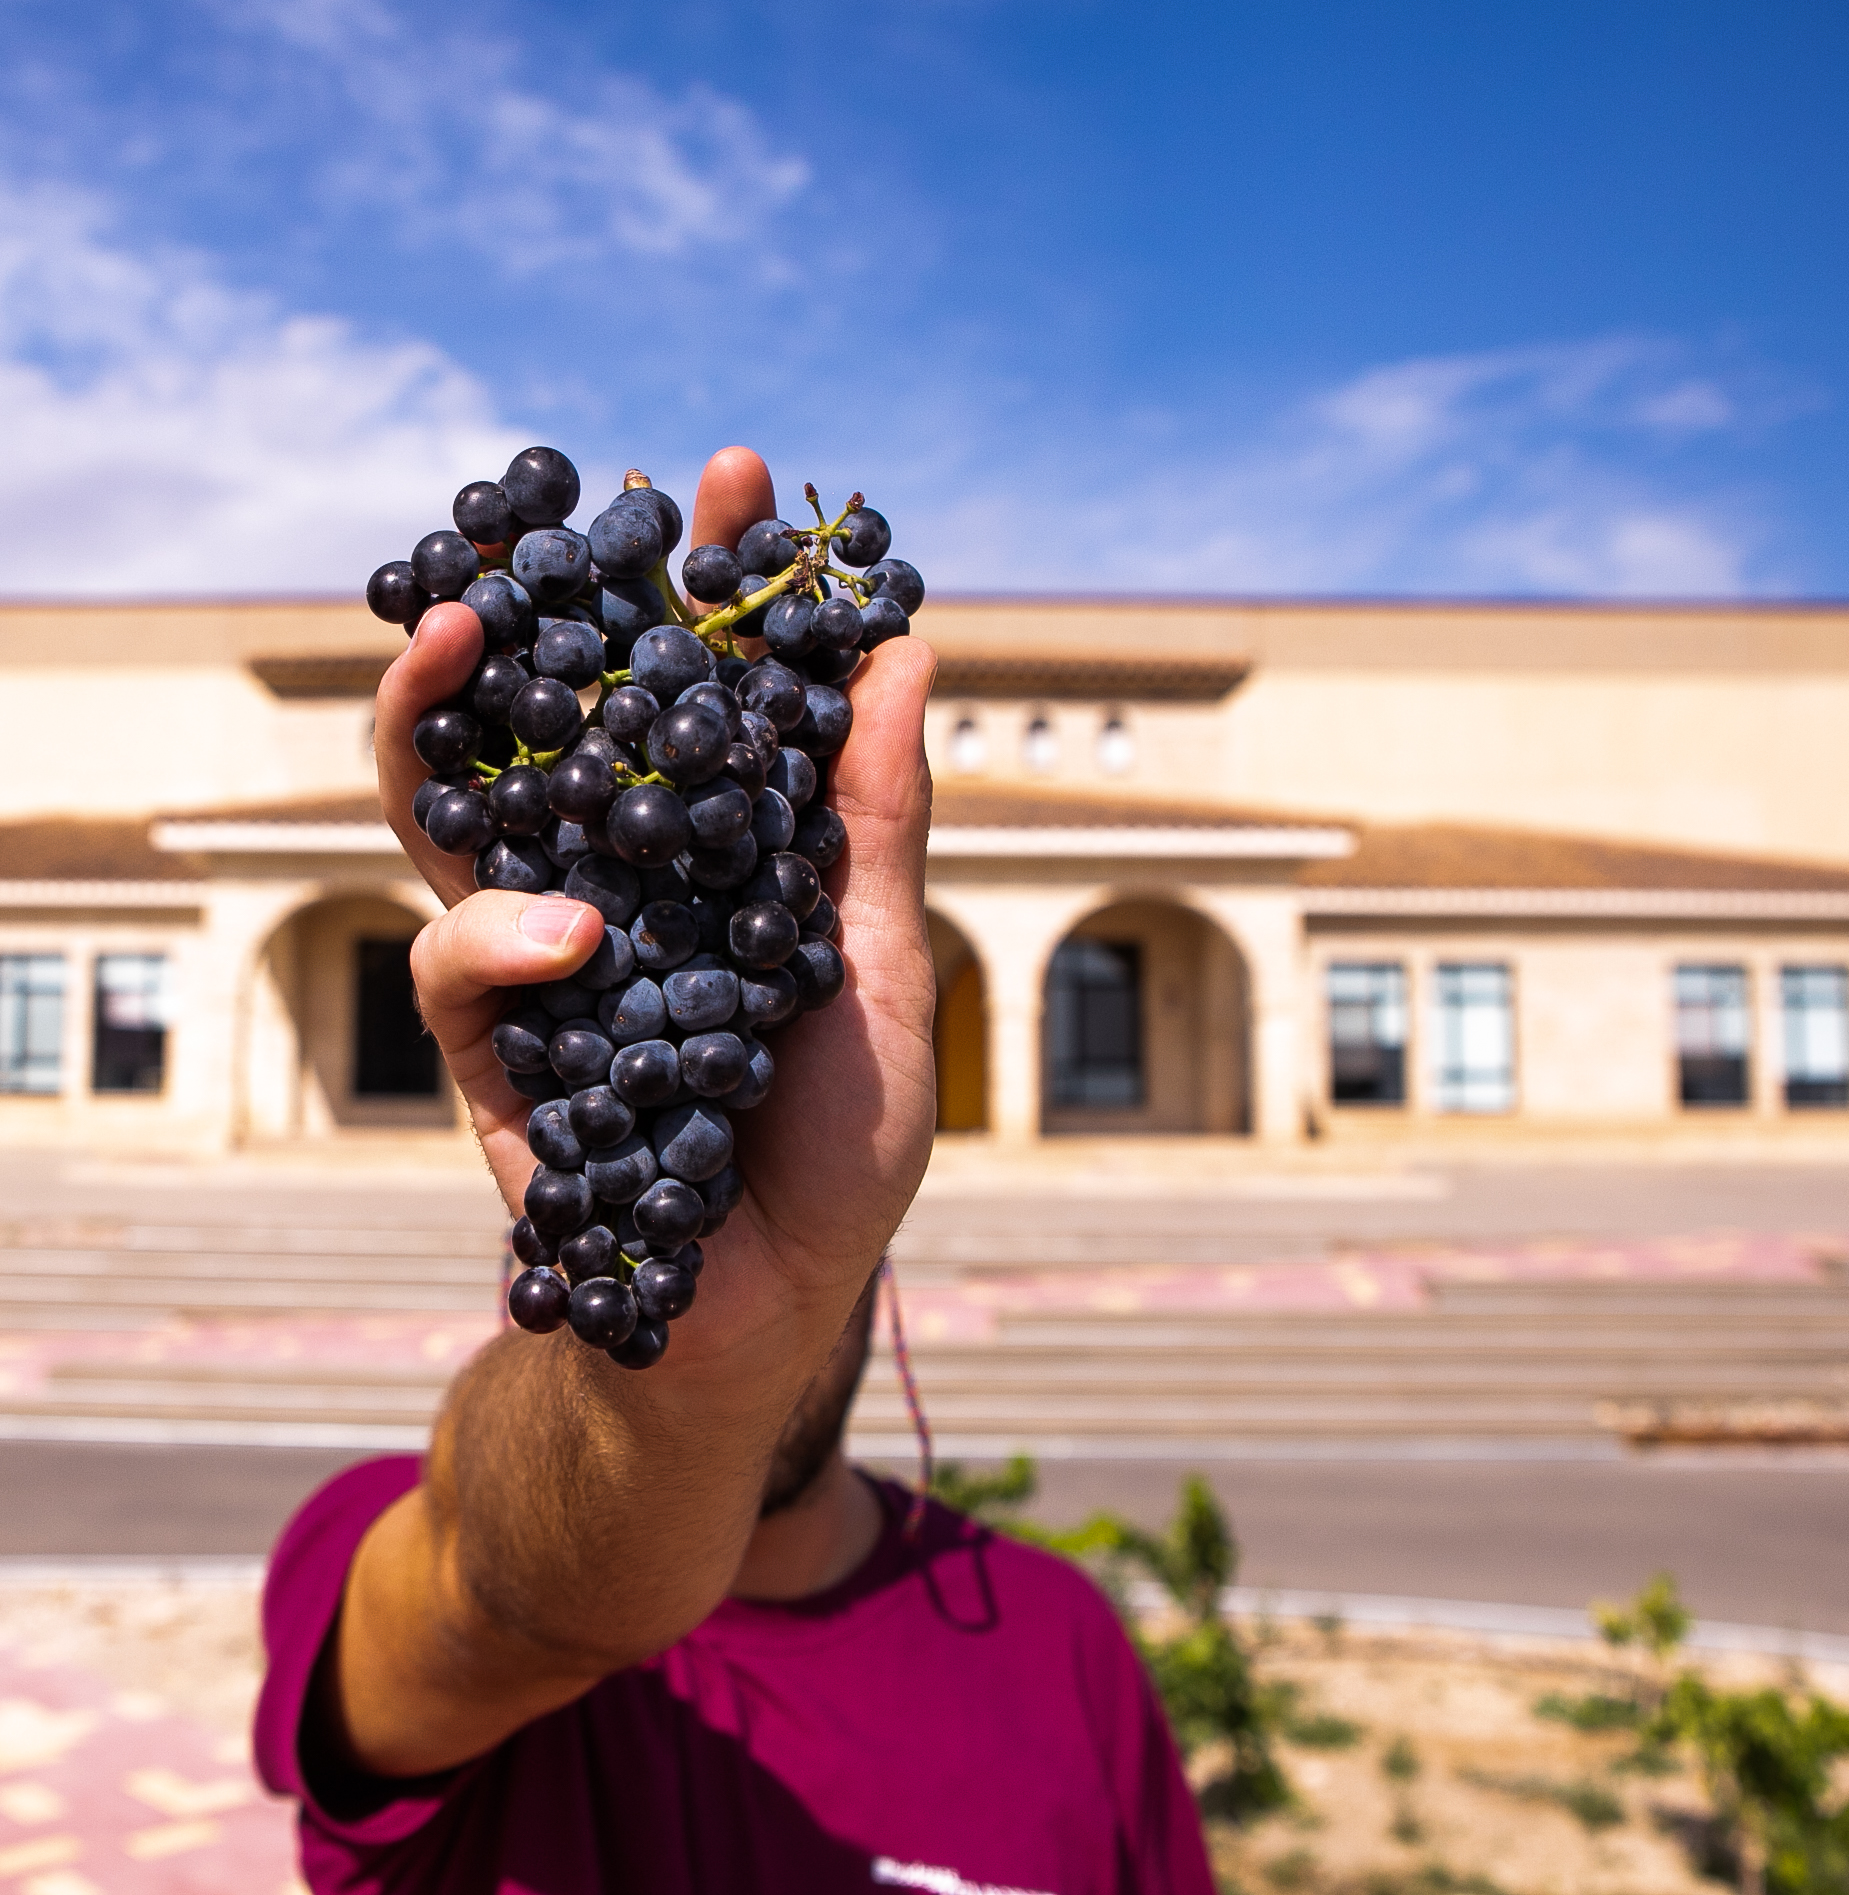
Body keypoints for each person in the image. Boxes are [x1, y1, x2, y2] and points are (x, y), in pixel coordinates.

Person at [254, 446, 1216, 1894]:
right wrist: (685, 1385)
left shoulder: (1058, 1642)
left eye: (758, 1065)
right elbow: (508, 1596)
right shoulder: (370, 1549)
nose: (726, 1182)